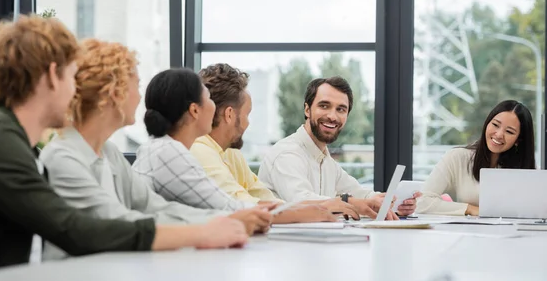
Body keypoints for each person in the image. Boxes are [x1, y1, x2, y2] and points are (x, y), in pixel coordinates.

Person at [0, 15, 247, 277]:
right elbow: (73, 228)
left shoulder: (5, 137)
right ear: (54, 75)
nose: (76, 89)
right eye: (72, 75)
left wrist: (215, 225)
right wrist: (202, 232)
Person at [40, 39, 255, 258]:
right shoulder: (62, 158)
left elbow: (153, 207)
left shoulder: (109, 153)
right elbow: (116, 220)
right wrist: (206, 230)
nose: (140, 97)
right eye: (137, 85)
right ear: (116, 93)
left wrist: (225, 221)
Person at [132, 69, 348, 229]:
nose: (214, 108)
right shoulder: (173, 152)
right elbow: (230, 207)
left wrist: (304, 210)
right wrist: (304, 212)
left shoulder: (167, 149)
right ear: (195, 110)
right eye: (208, 100)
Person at [192, 63, 360, 218]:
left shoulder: (230, 153)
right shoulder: (199, 150)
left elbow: (264, 197)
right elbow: (245, 205)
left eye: (341, 109)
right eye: (247, 114)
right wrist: (323, 209)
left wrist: (316, 208)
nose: (248, 123)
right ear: (229, 115)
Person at [258, 76, 419, 220]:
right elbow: (302, 201)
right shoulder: (287, 153)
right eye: (324, 106)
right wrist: (351, 202)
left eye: (341, 109)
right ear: (307, 110)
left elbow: (360, 193)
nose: (332, 116)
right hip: (283, 248)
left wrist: (392, 203)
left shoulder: (325, 160)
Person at [417, 100, 536, 216]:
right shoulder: (457, 158)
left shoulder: (527, 169)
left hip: (514, 233)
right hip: (467, 233)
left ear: (518, 140)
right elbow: (422, 202)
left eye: (509, 131)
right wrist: (469, 209)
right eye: (495, 125)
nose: (499, 135)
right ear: (487, 124)